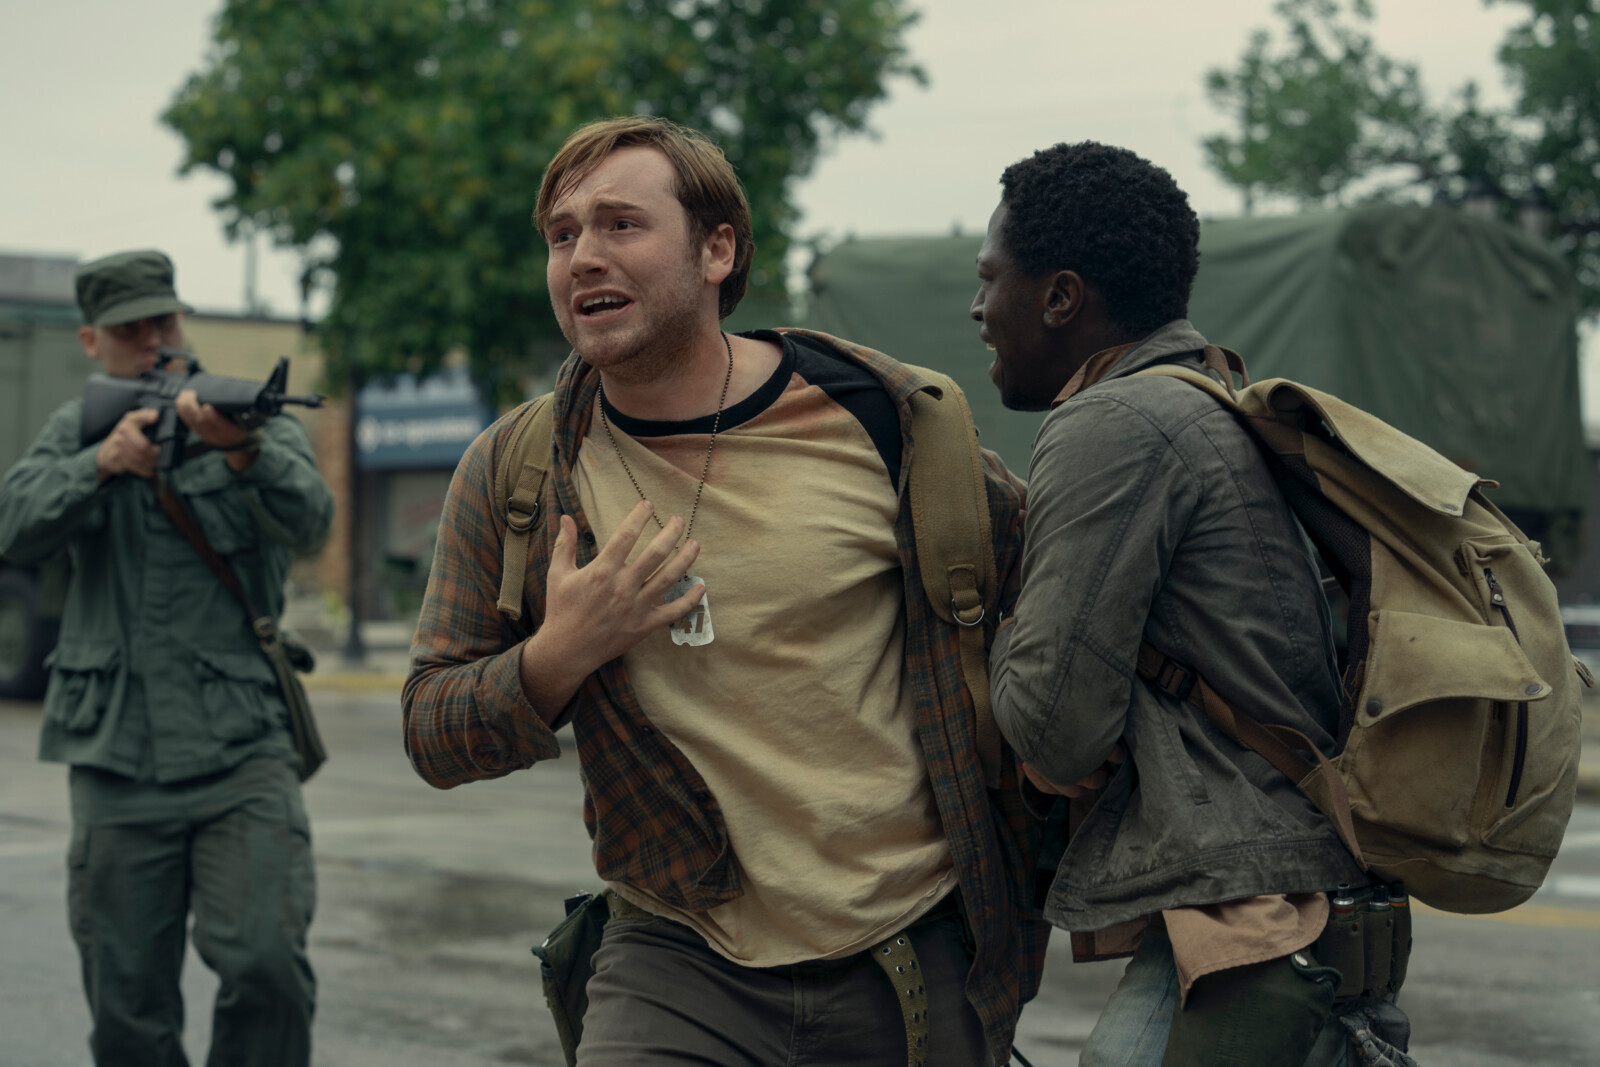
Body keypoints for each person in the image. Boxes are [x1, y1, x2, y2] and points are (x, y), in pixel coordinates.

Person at [403, 116, 1046, 1067]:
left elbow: (1059, 603)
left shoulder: (890, 423)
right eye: (562, 234)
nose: (583, 256)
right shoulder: (519, 470)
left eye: (621, 224)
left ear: (717, 251)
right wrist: (556, 656)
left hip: (911, 949)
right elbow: (430, 729)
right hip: (675, 952)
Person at [977, 142, 1370, 1067]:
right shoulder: (1208, 397)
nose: (978, 309)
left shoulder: (1114, 422)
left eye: (990, 279)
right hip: (1297, 905)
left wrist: (989, 629)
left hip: (1252, 915)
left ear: (1060, 297)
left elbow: (1053, 730)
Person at [0, 250, 334, 1066]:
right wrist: (101, 462)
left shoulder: (250, 417)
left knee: (267, 962)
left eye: (165, 319)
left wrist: (244, 453)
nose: (155, 339)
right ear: (91, 340)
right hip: (117, 752)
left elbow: (312, 520)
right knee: (127, 1004)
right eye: (131, 328)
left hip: (241, 745)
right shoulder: (79, 426)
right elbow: (14, 525)